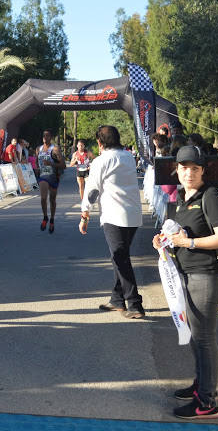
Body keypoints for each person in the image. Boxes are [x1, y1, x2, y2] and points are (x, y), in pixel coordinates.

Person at [151, 145, 218, 419]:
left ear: (203, 170)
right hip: (185, 273)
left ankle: (207, 402)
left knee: (204, 339)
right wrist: (162, 242)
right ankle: (202, 386)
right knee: (198, 339)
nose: (188, 173)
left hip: (205, 275)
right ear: (177, 168)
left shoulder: (210, 197)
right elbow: (176, 233)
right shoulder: (182, 199)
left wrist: (189, 242)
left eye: (194, 168)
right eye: (184, 167)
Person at [78, 126, 145, 319]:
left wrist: (85, 216)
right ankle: (117, 300)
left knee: (119, 258)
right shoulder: (128, 157)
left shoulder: (101, 161)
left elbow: (92, 191)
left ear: (100, 142)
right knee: (120, 256)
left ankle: (134, 304)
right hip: (132, 214)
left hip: (114, 215)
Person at [36, 129, 65, 233]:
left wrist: (51, 164)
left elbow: (63, 165)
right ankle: (45, 217)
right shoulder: (38, 149)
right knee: (43, 198)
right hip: (43, 176)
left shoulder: (55, 149)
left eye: (47, 135)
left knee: (52, 200)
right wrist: (37, 169)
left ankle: (52, 219)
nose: (45, 137)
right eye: (43, 135)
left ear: (50, 137)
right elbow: (37, 163)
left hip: (53, 177)